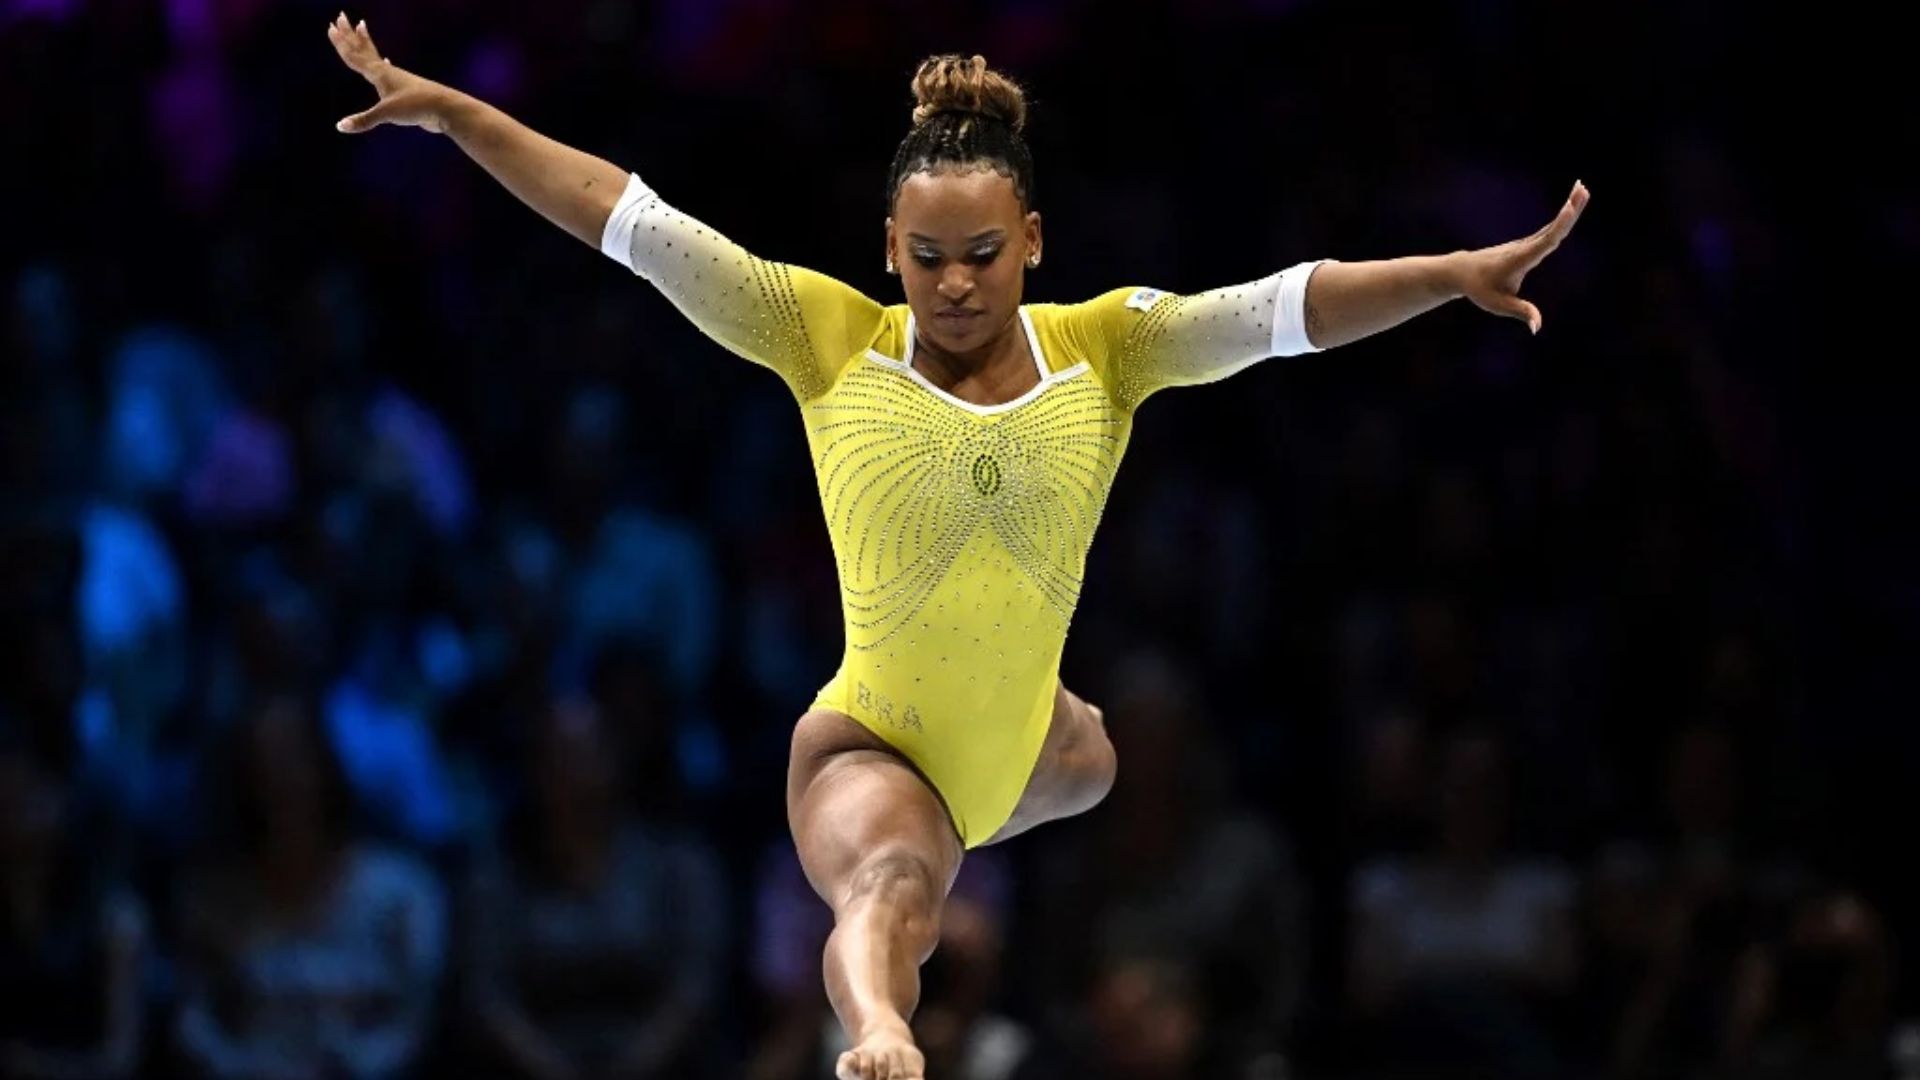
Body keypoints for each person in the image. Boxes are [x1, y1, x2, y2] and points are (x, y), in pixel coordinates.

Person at [325, 17, 1588, 1077]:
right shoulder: (827, 337)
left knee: (1093, 757)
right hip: (873, 743)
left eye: (985, 255)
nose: (957, 285)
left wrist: (1449, 272)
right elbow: (624, 217)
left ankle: (1033, 765)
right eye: (926, 258)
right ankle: (876, 1029)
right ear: (889, 248)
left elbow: (1285, 311)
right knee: (892, 883)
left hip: (1036, 747)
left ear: (1032, 239)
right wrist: (459, 117)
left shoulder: (1109, 346)